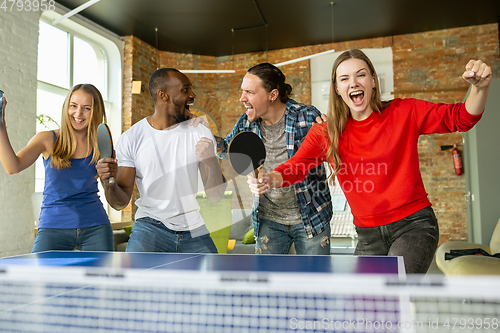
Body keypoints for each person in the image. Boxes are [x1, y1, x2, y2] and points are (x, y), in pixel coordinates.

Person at [250, 49, 490, 273]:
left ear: (373, 80)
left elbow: (460, 118)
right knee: (366, 308)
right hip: (367, 235)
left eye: (361, 75)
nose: (353, 82)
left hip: (413, 227)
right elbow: (295, 168)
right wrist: (269, 178)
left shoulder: (405, 112)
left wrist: (480, 89)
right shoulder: (326, 132)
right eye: (344, 78)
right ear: (336, 88)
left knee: (393, 293)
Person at [96, 68, 226, 253]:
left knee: (216, 280)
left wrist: (212, 161)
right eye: (185, 89)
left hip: (193, 226)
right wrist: (108, 184)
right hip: (149, 227)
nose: (192, 95)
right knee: (134, 280)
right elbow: (120, 202)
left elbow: (216, 196)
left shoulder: (200, 132)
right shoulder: (132, 137)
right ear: (163, 95)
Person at [216, 63, 333, 255]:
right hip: (268, 219)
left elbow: (333, 151)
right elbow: (228, 149)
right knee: (266, 281)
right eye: (242, 91)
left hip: (311, 217)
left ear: (272, 95)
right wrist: (203, 136)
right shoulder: (246, 122)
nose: (242, 98)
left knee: (315, 281)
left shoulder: (307, 116)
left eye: (249, 92)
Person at [0, 84, 114, 252]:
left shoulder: (100, 144)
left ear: (95, 112)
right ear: (66, 106)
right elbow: (12, 166)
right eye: (73, 106)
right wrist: (0, 124)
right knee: (42, 278)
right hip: (52, 227)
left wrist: (111, 176)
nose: (78, 113)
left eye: (87, 108)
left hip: (96, 227)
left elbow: (112, 189)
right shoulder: (46, 139)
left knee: (102, 278)